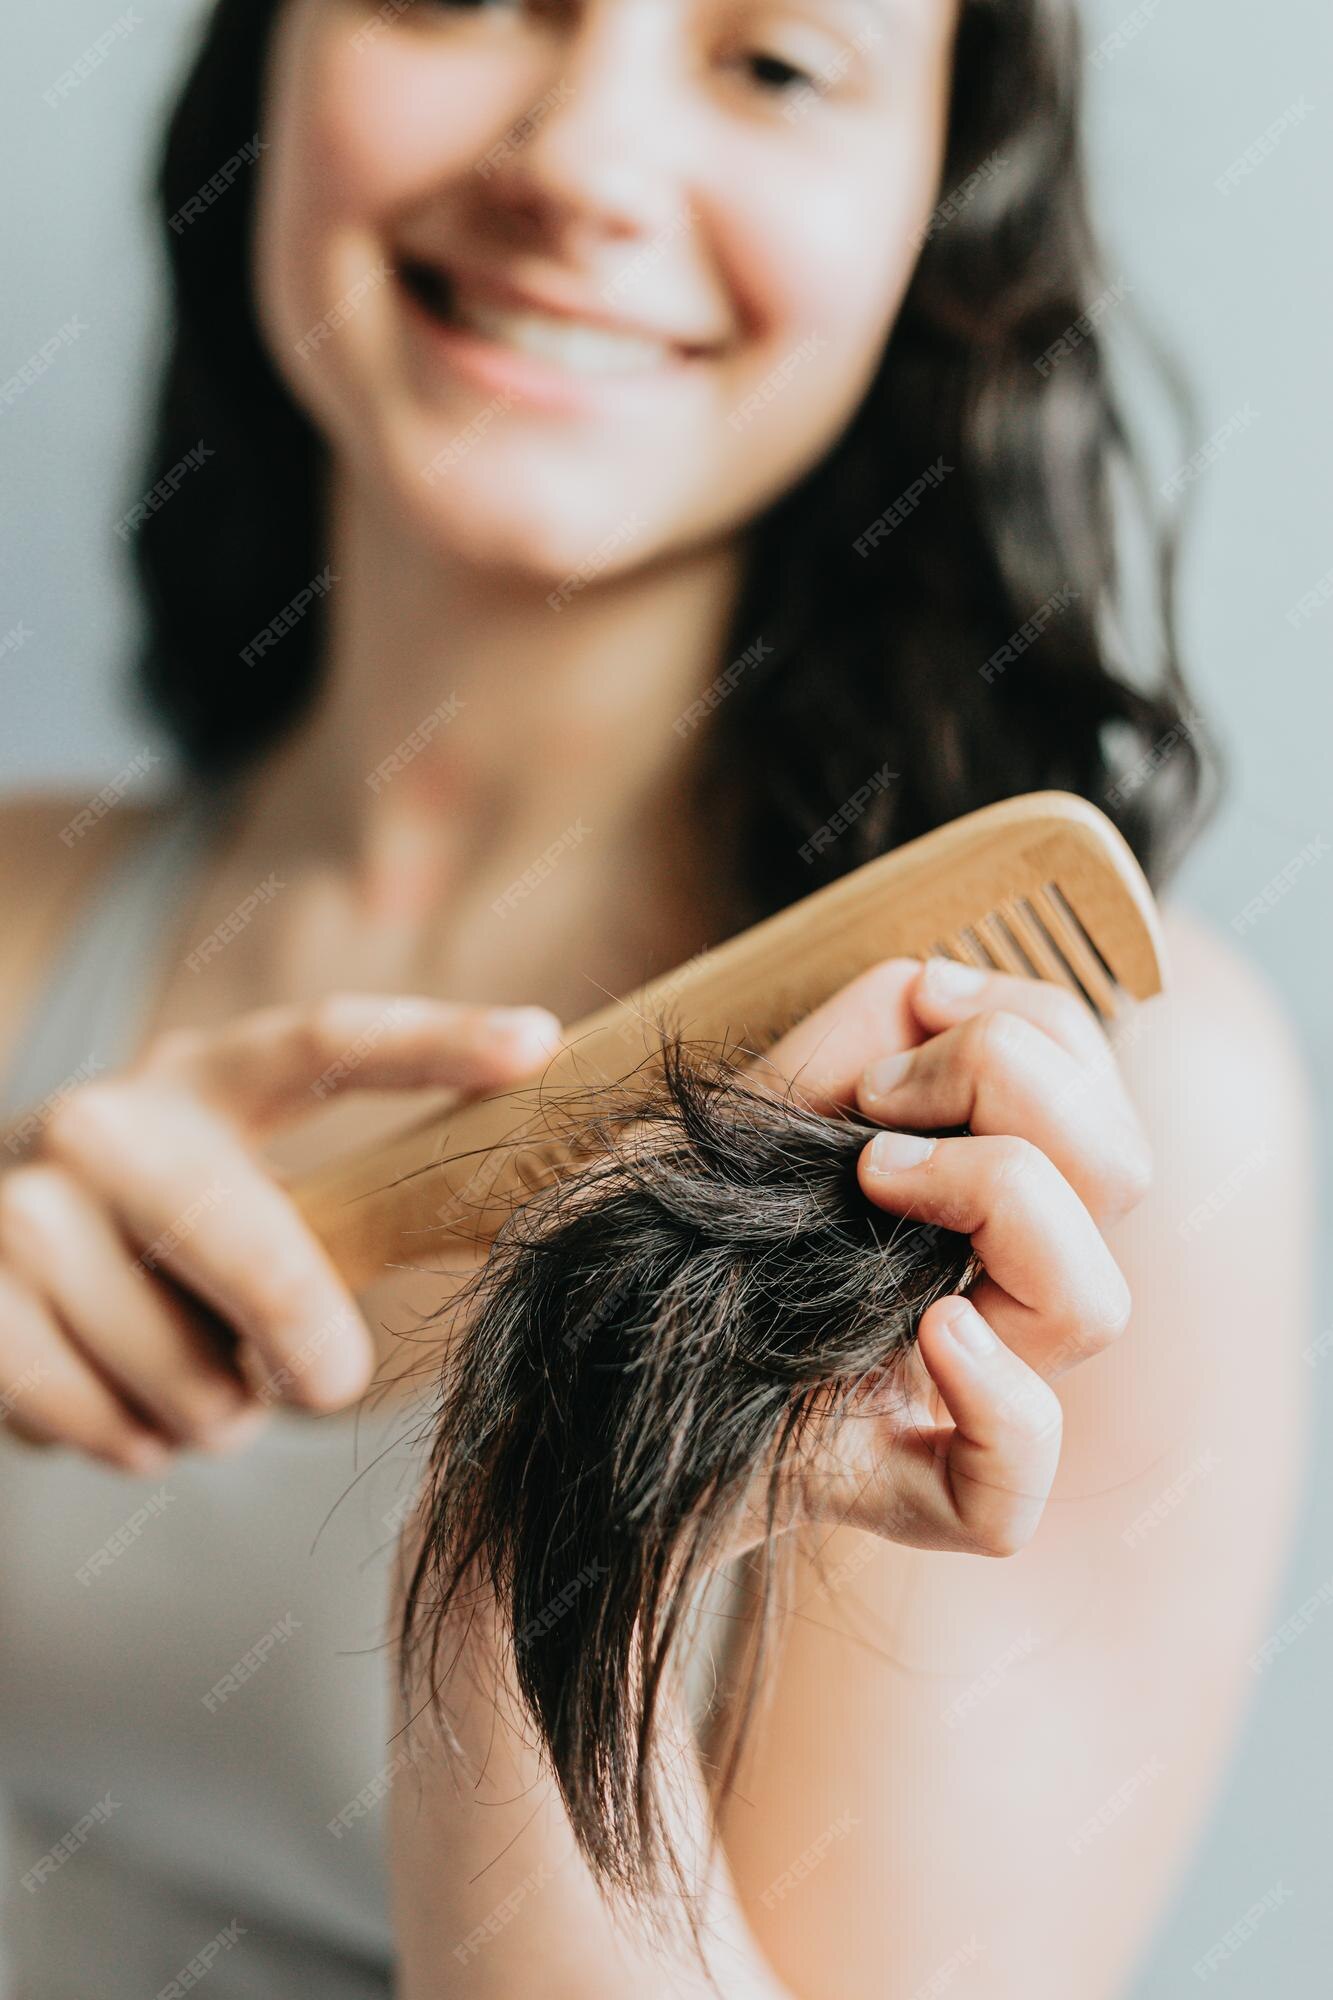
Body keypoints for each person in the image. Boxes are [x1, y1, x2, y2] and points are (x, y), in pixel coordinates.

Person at [0, 0, 1313, 1994]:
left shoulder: (1062, 1142)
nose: (581, 168)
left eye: (774, 61)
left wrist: (534, 1563)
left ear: (938, 202)